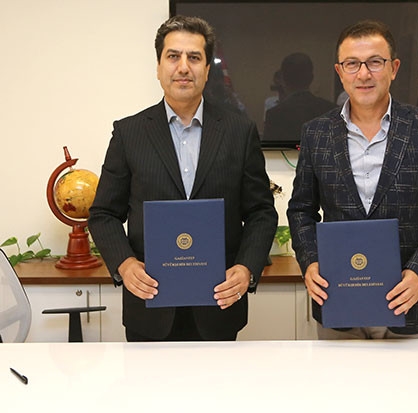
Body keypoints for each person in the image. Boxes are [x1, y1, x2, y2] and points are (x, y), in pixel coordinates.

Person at [88, 16, 278, 342]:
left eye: (194, 57)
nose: (183, 67)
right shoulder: (129, 133)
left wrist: (246, 268)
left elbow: (261, 212)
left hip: (219, 306)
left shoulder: (239, 131)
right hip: (149, 306)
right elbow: (103, 214)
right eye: (173, 56)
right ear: (158, 66)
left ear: (207, 69)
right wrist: (125, 264)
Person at [287, 20, 418, 340]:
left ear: (394, 68)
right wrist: (310, 261)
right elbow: (301, 209)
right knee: (340, 377)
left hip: (413, 307)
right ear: (339, 71)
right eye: (352, 64)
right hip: (339, 304)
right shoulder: (316, 133)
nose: (363, 74)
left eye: (375, 62)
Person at [263, 52, 336, 143]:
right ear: (311, 78)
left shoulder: (275, 115)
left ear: (283, 79)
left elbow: (271, 150)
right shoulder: (331, 111)